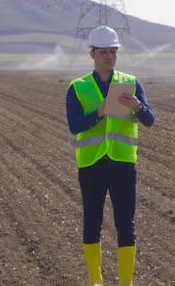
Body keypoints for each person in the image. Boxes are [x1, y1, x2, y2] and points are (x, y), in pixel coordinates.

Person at [66, 26, 155, 286]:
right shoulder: (78, 87)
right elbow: (74, 125)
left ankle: (124, 283)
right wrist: (98, 113)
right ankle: (96, 281)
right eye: (104, 52)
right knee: (92, 223)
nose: (109, 56)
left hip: (123, 165)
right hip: (92, 165)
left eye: (113, 52)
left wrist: (138, 106)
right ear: (92, 54)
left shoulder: (131, 82)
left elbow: (149, 119)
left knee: (126, 225)